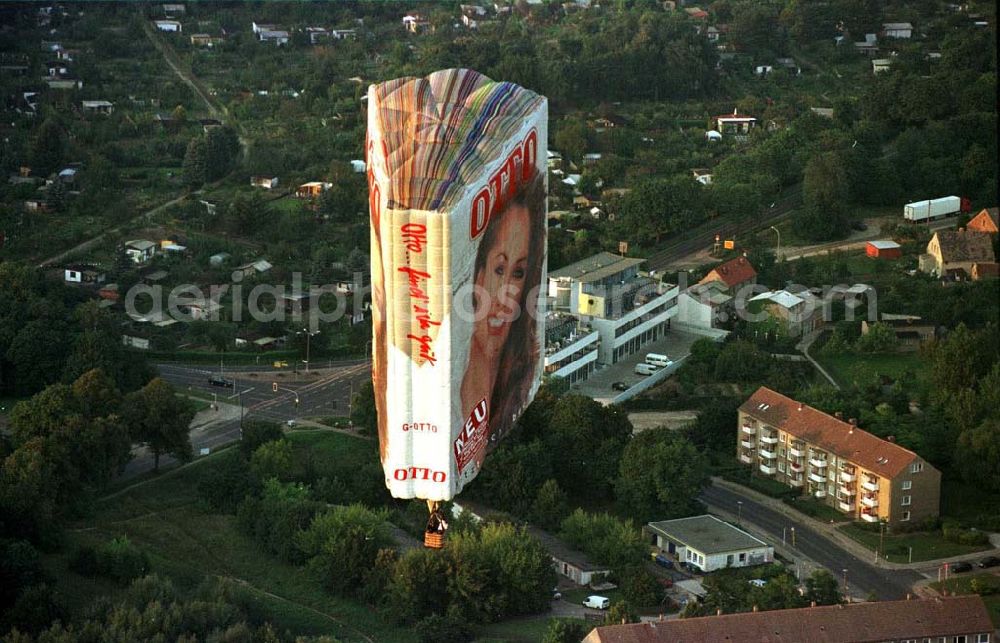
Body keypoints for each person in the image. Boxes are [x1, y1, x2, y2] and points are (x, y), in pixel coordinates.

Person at [459, 171, 546, 469]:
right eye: (499, 269)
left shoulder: (521, 379)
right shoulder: (451, 376)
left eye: (518, 273)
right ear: (479, 274)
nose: (505, 297)